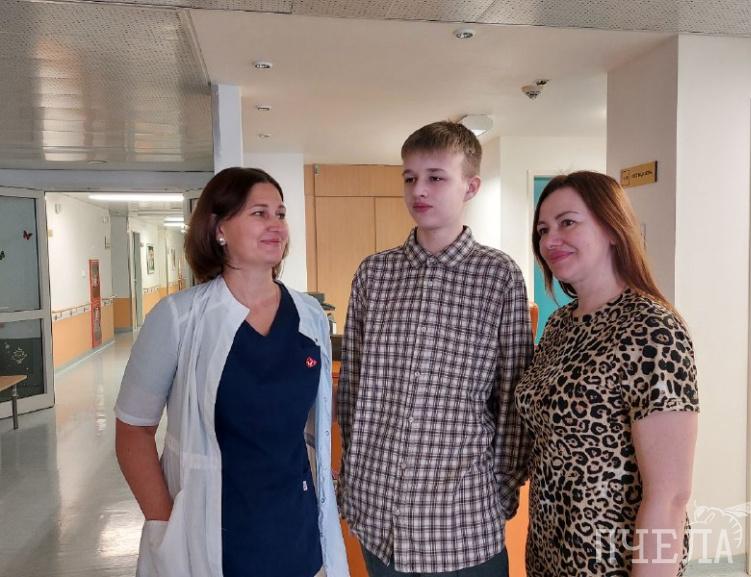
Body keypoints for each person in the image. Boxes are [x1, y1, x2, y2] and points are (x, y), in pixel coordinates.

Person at [114, 167, 349, 577]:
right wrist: (164, 523)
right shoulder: (178, 317)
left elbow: (313, 422)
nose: (276, 225)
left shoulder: (309, 315)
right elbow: (133, 429)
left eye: (280, 213)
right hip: (213, 533)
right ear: (219, 228)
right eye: (259, 213)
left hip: (295, 527)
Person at [336, 121, 534, 577]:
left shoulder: (498, 276)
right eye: (409, 177)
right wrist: (352, 476)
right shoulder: (374, 274)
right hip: (377, 512)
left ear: (471, 187)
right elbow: (354, 388)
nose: (418, 190)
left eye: (436, 177)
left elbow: (512, 397)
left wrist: (501, 490)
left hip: (462, 520)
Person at [516, 171, 699, 577]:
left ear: (613, 229)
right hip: (548, 552)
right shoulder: (560, 324)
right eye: (543, 230)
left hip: (609, 561)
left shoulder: (651, 329)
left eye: (567, 222)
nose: (550, 240)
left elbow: (670, 496)